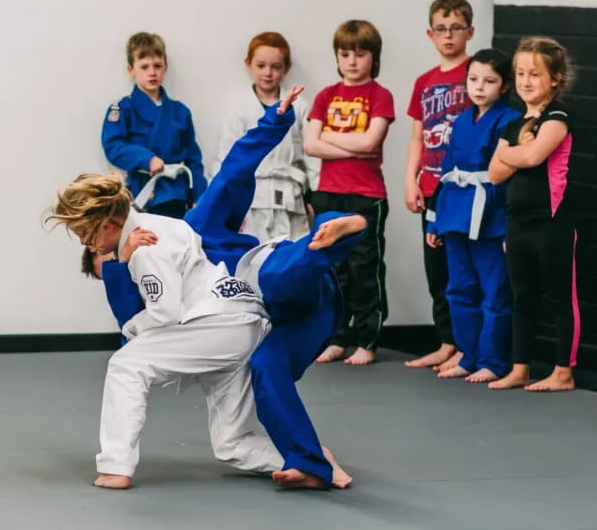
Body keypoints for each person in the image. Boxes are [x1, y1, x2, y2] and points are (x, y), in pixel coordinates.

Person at [93, 86, 363, 488]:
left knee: (271, 271)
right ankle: (311, 461)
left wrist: (275, 121)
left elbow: (234, 168)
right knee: (264, 372)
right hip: (283, 322)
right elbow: (132, 319)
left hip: (292, 278)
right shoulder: (138, 260)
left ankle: (340, 229)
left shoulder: (191, 229)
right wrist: (118, 264)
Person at [49, 174, 278, 489]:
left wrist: (132, 327)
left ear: (106, 225)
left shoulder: (147, 245)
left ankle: (116, 466)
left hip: (217, 325)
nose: (83, 242)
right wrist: (123, 259)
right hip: (240, 321)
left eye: (81, 232)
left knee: (126, 364)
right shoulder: (161, 225)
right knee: (233, 443)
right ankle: (307, 460)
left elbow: (165, 312)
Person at [487, 36, 580, 392]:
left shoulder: (558, 118)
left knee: (560, 297)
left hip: (552, 222)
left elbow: (531, 158)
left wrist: (512, 153)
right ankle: (520, 366)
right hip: (517, 221)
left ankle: (563, 371)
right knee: (522, 296)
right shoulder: (512, 124)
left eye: (535, 74)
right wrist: (514, 151)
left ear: (555, 79)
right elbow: (493, 172)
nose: (526, 81)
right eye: (521, 73)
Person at [425, 49, 520, 382]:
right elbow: (446, 170)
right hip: (455, 213)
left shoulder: (509, 120)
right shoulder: (462, 120)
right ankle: (468, 355)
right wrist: (435, 220)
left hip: (490, 214)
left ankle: (493, 361)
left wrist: (509, 227)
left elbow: (508, 176)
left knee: (494, 292)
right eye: (473, 80)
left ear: (505, 85)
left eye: (489, 81)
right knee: (459, 288)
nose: (479, 87)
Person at [307, 20, 394, 366]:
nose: (353, 62)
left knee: (365, 269)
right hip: (329, 192)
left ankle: (366, 340)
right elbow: (311, 145)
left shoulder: (379, 95)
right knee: (333, 270)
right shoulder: (326, 96)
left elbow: (372, 141)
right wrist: (355, 149)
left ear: (373, 57)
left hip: (366, 195)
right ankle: (336, 338)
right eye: (345, 55)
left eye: (360, 55)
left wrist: (333, 139)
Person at [403, 0, 473, 372]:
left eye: (456, 28)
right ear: (430, 34)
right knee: (438, 272)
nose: (448, 36)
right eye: (441, 29)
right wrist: (410, 180)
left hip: (463, 187)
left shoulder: (475, 74)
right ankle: (447, 341)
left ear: (469, 31)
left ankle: (467, 345)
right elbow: (417, 134)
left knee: (465, 271)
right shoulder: (424, 82)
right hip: (431, 187)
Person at [212, 32, 317, 242]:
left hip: (291, 200)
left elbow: (312, 157)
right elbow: (226, 158)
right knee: (251, 260)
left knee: (292, 260)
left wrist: (317, 197)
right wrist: (223, 204)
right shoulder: (239, 109)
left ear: (286, 68)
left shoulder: (300, 107)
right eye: (261, 66)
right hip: (251, 200)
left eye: (275, 67)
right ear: (248, 64)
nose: (268, 73)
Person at [101, 32, 207, 218]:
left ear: (165, 68)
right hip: (141, 191)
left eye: (157, 66)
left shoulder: (180, 112)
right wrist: (146, 159)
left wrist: (201, 196)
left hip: (176, 194)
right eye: (144, 67)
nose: (152, 72)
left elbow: (193, 158)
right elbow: (113, 146)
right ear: (130, 70)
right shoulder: (123, 109)